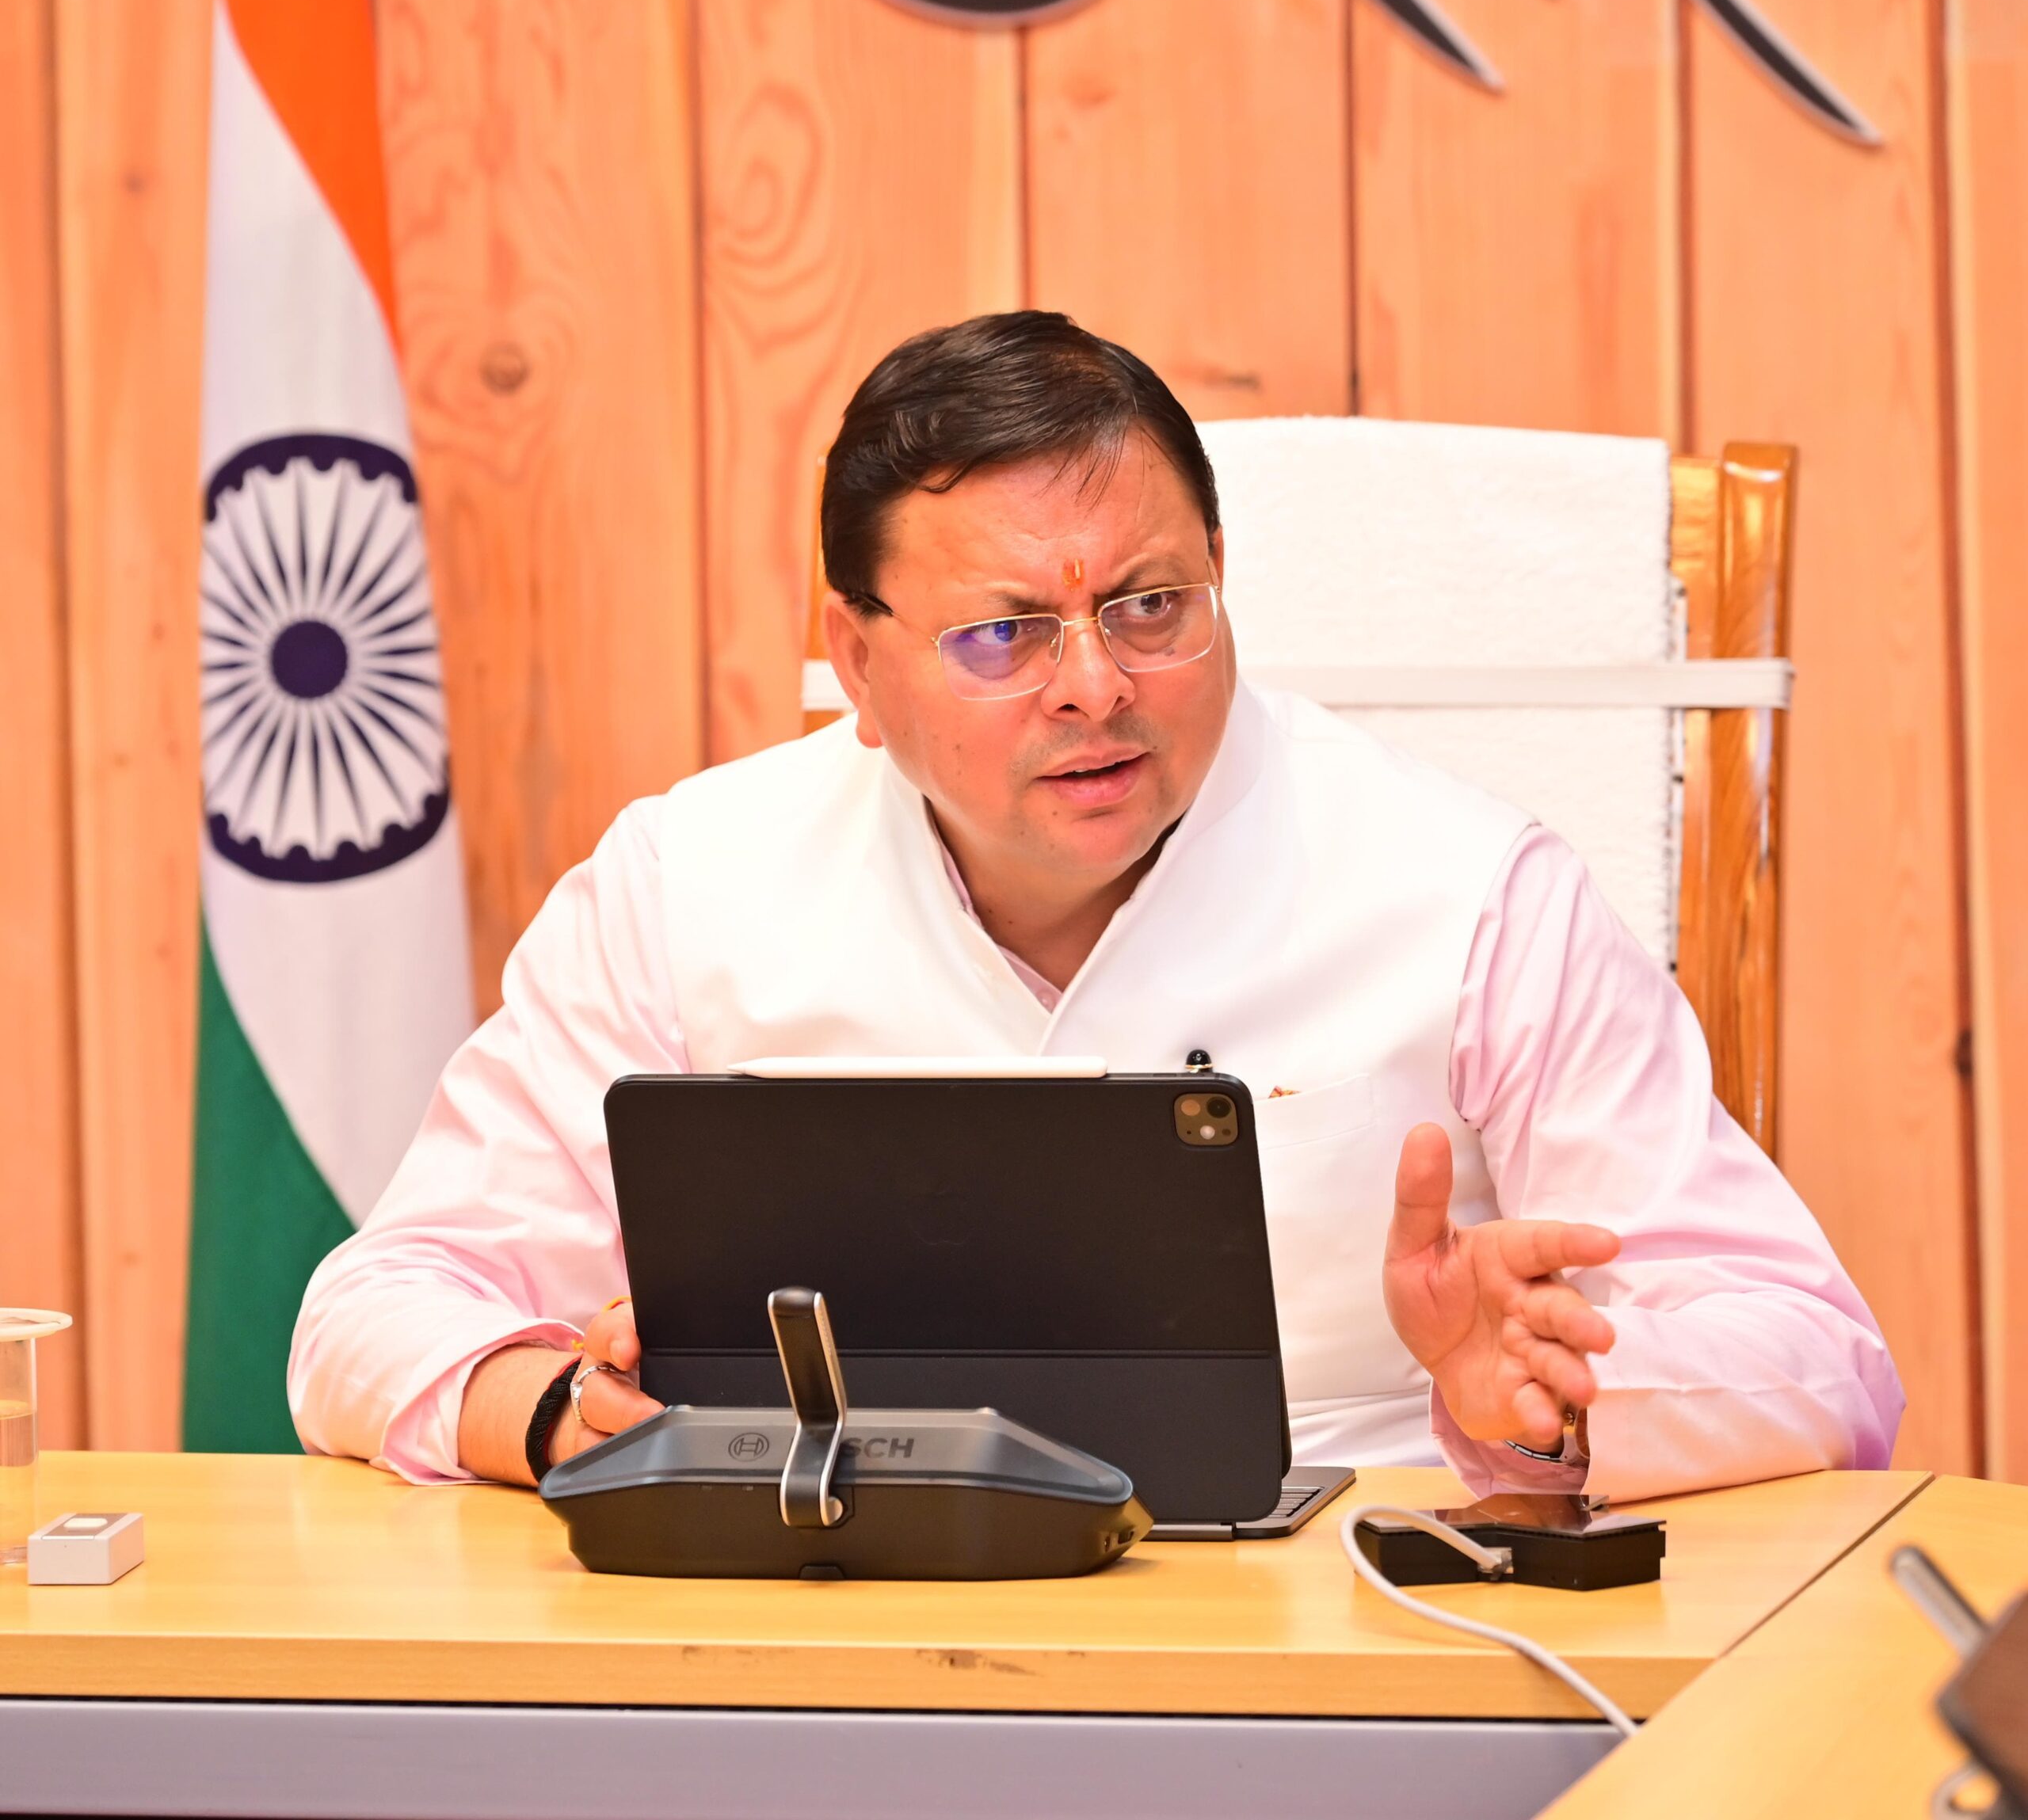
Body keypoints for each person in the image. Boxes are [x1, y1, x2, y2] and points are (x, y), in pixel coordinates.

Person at [289, 311, 1902, 1500]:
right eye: (1002, 633)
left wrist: (1544, 1404)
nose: (1095, 687)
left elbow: (1818, 1356)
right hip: (831, 1641)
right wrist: (553, 1414)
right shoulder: (686, 885)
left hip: (1338, 1645)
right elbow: (375, 1307)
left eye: (1148, 606)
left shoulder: (1468, 892)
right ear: (856, 660)